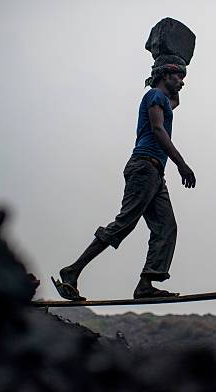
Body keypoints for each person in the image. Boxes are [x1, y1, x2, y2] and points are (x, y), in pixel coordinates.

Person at [52, 62, 195, 301]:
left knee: (166, 227)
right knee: (125, 223)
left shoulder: (163, 98)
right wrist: (182, 164)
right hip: (144, 167)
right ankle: (72, 271)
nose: (182, 82)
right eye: (178, 77)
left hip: (155, 173)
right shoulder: (154, 95)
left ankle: (145, 284)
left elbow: (175, 103)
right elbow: (158, 130)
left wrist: (178, 79)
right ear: (165, 76)